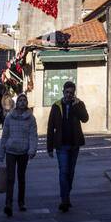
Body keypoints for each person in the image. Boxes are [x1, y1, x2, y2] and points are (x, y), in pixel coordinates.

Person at [46, 81, 88, 212]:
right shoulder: (56, 106)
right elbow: (50, 127)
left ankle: (67, 195)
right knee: (63, 172)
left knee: (71, 172)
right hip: (61, 145)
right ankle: (64, 200)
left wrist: (77, 106)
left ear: (74, 93)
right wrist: (49, 147)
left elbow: (85, 118)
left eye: (71, 92)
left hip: (74, 144)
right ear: (63, 91)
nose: (69, 95)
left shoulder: (79, 104)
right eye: (67, 92)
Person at [0, 92, 38, 216]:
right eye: (20, 100)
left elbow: (33, 135)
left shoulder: (31, 118)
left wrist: (32, 149)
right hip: (11, 151)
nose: (22, 102)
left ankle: (21, 202)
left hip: (23, 152)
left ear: (26, 103)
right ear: (17, 103)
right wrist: (1, 152)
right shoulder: (10, 116)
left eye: (24, 100)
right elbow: (4, 135)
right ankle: (8, 203)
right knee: (10, 178)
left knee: (21, 178)